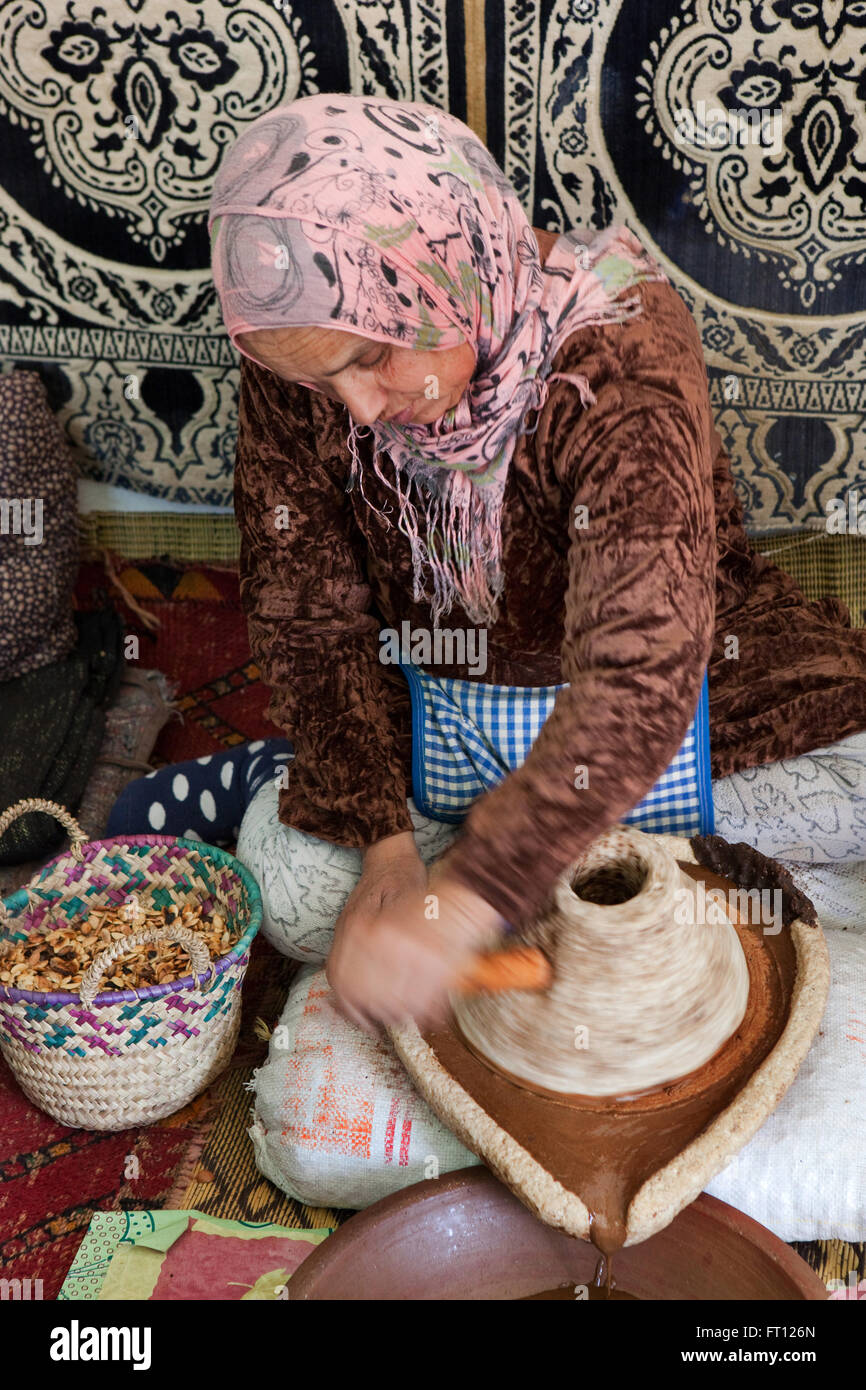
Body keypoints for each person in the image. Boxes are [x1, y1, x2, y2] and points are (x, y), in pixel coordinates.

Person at [109, 93, 866, 1033]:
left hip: (685, 705)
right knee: (294, 896)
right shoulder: (306, 339)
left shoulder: (621, 345)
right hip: (443, 707)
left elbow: (642, 674)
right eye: (319, 380)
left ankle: (517, 858)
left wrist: (465, 901)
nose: (359, 409)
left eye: (370, 357)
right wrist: (387, 855)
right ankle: (343, 792)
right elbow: (306, 609)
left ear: (442, 271)